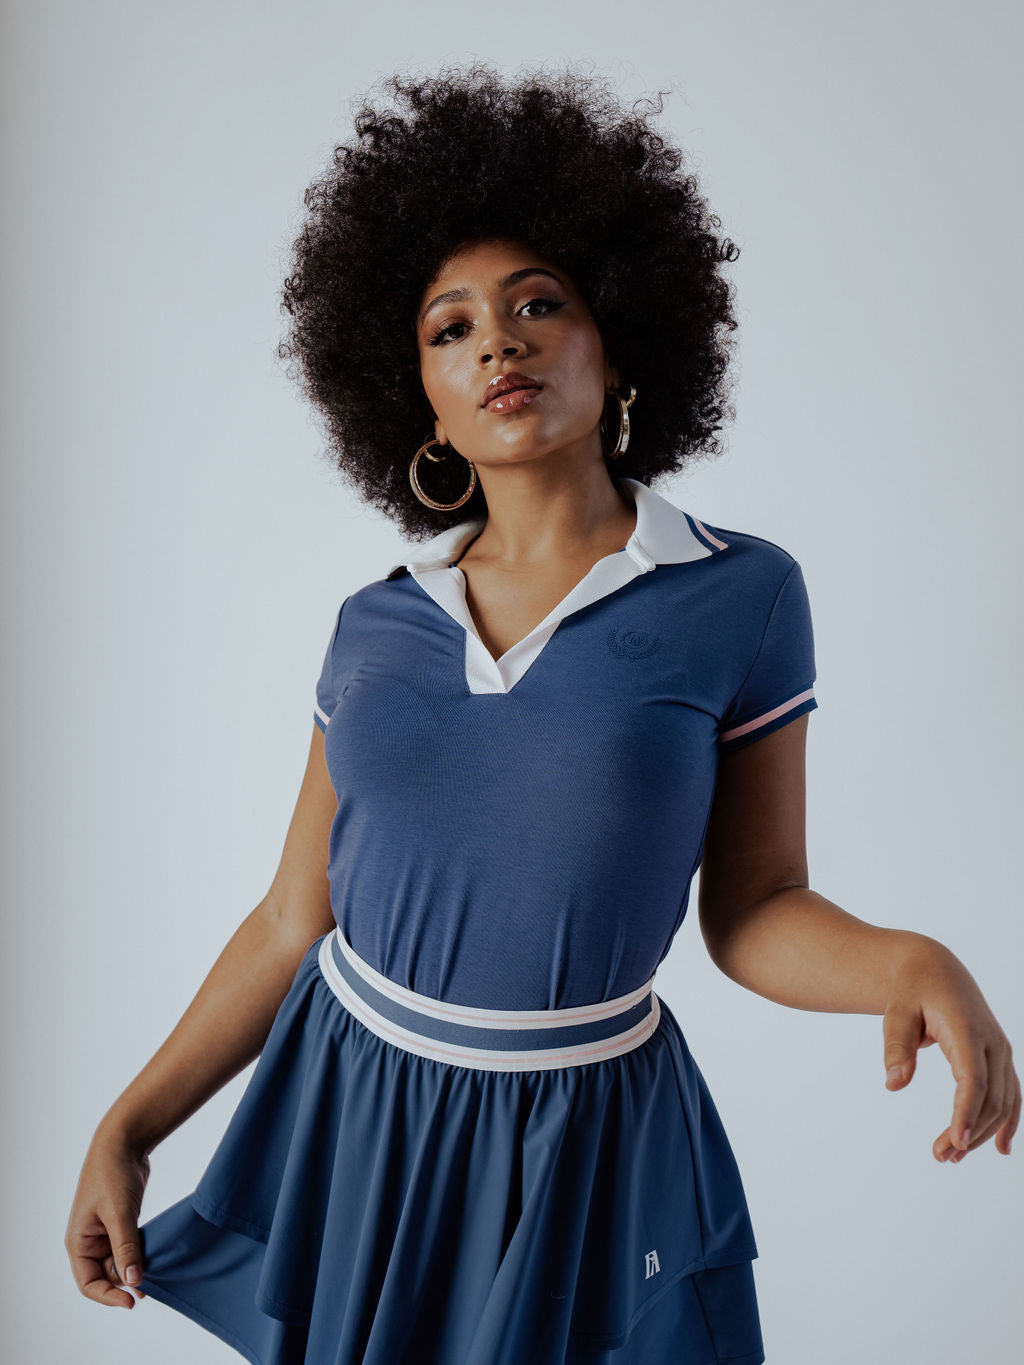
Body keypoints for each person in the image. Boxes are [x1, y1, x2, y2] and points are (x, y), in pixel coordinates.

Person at [65, 63, 1019, 1365]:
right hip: (361, 1116)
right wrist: (128, 1124)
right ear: (418, 394)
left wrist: (913, 963)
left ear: (618, 335)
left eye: (537, 305)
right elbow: (295, 915)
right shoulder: (377, 619)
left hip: (587, 1147)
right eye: (449, 327)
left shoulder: (736, 594)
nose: (496, 343)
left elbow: (751, 909)